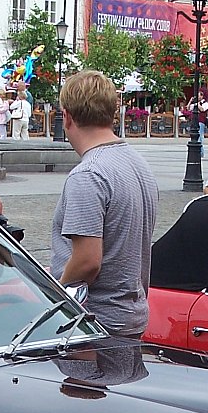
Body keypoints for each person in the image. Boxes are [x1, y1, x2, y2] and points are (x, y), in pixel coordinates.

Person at [51, 70, 158, 337]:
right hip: (130, 314)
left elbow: (87, 262)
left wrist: (54, 296)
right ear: (112, 113)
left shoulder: (88, 174)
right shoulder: (138, 163)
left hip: (94, 322)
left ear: (67, 117)